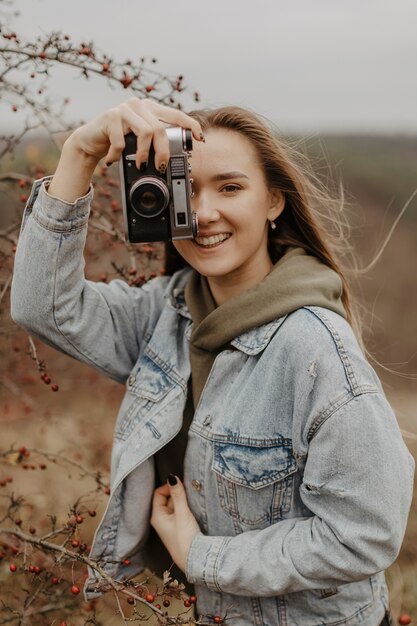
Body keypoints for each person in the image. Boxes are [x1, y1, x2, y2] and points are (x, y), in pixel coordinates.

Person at [10, 98, 414, 626]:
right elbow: (43, 307)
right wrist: (79, 154)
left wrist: (203, 557)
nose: (203, 214)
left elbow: (362, 538)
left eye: (230, 187)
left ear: (273, 201)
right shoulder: (167, 310)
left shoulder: (316, 351)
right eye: (186, 190)